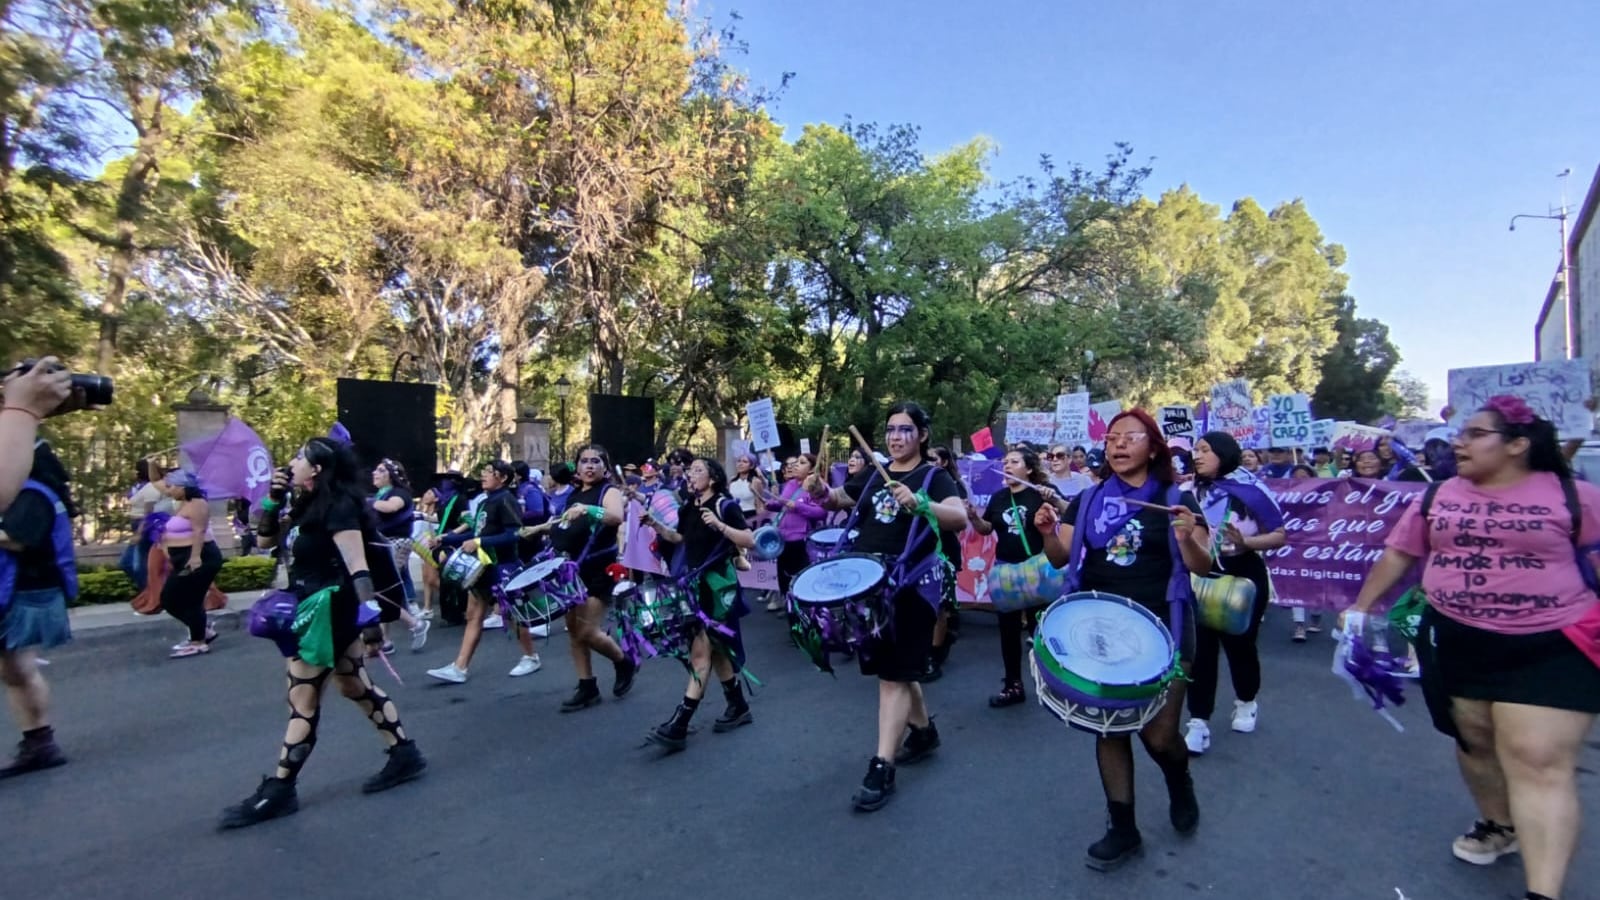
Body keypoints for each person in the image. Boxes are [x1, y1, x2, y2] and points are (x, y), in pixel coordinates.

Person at [1347, 396, 1600, 900]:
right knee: (1476, 741)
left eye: (1476, 433)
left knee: (1535, 757)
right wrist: (1361, 607)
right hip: (1458, 640)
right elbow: (1401, 553)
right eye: (1460, 433)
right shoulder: (1437, 496)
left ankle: (1543, 892)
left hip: (1553, 646)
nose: (1458, 442)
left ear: (1518, 444)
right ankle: (1499, 824)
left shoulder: (1579, 498)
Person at [1035, 409, 1211, 871]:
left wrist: (1188, 535)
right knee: (1109, 729)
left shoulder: (1177, 497)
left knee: (1159, 735)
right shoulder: (1089, 500)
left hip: (1165, 625)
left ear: (1152, 447)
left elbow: (1202, 565)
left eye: (1128, 437)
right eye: (1111, 437)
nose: (1116, 445)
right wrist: (1048, 532)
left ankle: (1178, 778)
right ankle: (1123, 828)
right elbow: (1059, 557)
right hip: (1099, 630)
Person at [222, 437, 424, 828]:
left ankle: (280, 789)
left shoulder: (341, 506)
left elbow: (357, 566)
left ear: (316, 469)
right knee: (353, 685)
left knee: (303, 699)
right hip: (311, 606)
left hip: (327, 612)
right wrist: (272, 499)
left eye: (300, 457)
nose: (292, 462)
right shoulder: (303, 503)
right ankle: (404, 754)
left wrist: (370, 625)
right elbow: (264, 542)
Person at [809, 402, 966, 812]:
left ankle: (882, 765)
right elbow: (838, 499)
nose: (896, 437)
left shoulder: (934, 477)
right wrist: (820, 492)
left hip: (910, 586)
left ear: (922, 435)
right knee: (895, 668)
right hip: (869, 586)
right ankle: (924, 733)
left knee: (892, 677)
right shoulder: (872, 476)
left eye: (905, 430)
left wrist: (922, 503)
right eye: (892, 430)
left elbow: (959, 518)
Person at [641, 457, 757, 750]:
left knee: (700, 655)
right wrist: (654, 524)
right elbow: (680, 538)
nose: (690, 475)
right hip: (691, 586)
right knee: (715, 650)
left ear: (713, 478)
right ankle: (738, 706)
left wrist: (719, 525)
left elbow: (749, 540)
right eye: (690, 470)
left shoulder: (725, 506)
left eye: (697, 470)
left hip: (717, 587)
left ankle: (680, 724)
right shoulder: (688, 507)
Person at [1183, 432, 1287, 754]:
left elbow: (1280, 535)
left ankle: (1246, 701)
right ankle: (1198, 722)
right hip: (1200, 573)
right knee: (1199, 651)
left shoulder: (1251, 490)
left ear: (1224, 454)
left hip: (1242, 572)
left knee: (1240, 645)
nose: (1197, 456)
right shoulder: (1186, 491)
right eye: (1195, 450)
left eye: (1205, 450)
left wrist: (1247, 543)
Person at [0, 437, 77, 777]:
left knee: (19, 669)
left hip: (26, 593)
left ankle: (41, 741)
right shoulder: (36, 491)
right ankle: (38, 741)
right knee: (14, 670)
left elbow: (18, 538)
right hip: (24, 591)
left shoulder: (33, 493)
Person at [425, 460, 541, 682]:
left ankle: (530, 656)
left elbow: (513, 534)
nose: (483, 476)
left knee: (513, 615)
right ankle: (460, 667)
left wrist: (479, 542)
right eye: (484, 471)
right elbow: (477, 533)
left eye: (489, 472)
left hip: (504, 566)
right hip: (484, 567)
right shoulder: (485, 503)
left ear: (503, 478)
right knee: (474, 615)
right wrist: (447, 537)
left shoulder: (506, 500)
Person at [547, 443, 636, 711]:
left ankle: (623, 661)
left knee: (587, 630)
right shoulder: (574, 494)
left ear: (605, 468)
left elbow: (615, 517)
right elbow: (564, 523)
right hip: (571, 570)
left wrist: (589, 510)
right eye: (584, 461)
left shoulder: (607, 491)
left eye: (595, 461)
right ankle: (587, 686)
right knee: (574, 631)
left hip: (599, 569)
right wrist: (538, 529)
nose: (589, 465)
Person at [968, 446, 1048, 707]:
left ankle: (1051, 683)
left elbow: (1066, 516)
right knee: (1009, 631)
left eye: (1014, 462)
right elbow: (986, 529)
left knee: (1042, 630)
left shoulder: (1039, 494)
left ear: (1029, 468)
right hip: (1007, 572)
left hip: (1036, 569)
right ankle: (1013, 684)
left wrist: (1053, 499)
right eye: (1005, 462)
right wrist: (973, 518)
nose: (1008, 466)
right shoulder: (999, 497)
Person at [160, 470, 225, 659]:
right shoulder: (184, 504)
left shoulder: (198, 504)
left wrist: (195, 557)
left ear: (183, 487)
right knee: (181, 599)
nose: (169, 490)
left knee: (177, 599)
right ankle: (201, 633)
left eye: (172, 486)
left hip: (200, 557)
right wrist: (152, 464)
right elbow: (156, 480)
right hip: (183, 557)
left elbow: (199, 531)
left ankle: (199, 640)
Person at [371, 459, 429, 652]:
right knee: (384, 590)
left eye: (380, 470)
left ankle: (415, 624)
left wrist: (366, 502)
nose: (374, 473)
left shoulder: (398, 494)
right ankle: (385, 640)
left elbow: (391, 508)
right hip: (383, 544)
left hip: (395, 544)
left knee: (380, 590)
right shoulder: (381, 495)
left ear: (390, 475)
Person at [764, 454, 826, 613]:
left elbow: (821, 512)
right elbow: (783, 504)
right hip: (782, 538)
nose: (795, 465)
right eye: (796, 462)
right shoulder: (790, 484)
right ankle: (789, 606)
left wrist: (798, 507)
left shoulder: (817, 486)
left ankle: (804, 611)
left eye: (802, 463)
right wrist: (770, 505)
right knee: (783, 576)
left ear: (812, 469)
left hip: (802, 540)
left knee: (800, 576)